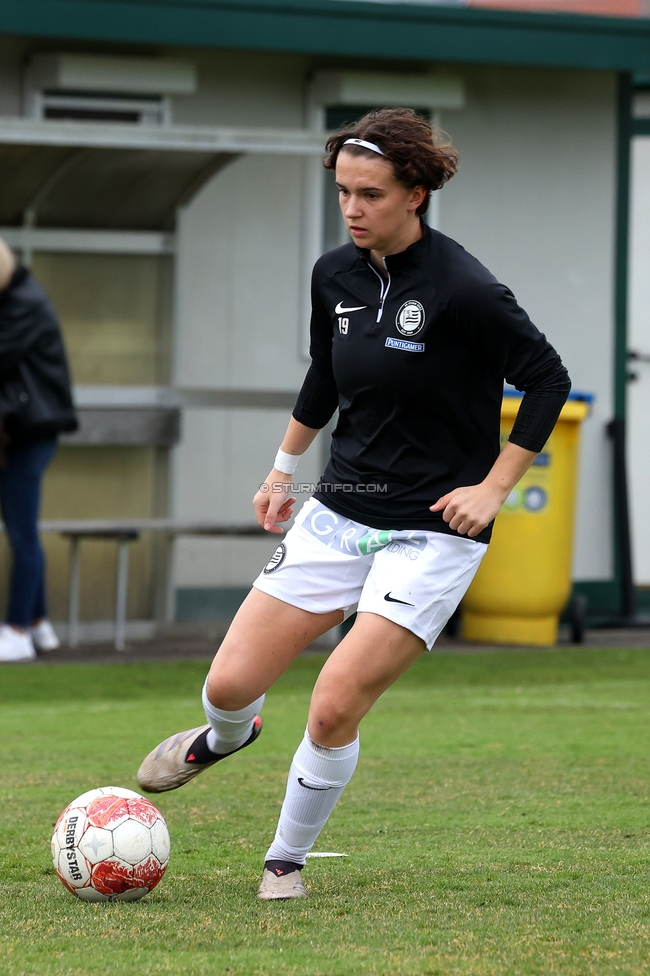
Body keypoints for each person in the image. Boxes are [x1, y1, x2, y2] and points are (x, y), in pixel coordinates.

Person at [138, 108, 571, 900]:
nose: (352, 209)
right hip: (337, 513)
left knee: (335, 703)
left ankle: (283, 862)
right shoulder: (334, 273)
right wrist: (281, 474)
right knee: (229, 687)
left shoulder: (466, 289)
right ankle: (225, 738)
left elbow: (547, 379)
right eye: (342, 192)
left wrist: (494, 487)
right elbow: (325, 377)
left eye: (370, 194)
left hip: (431, 534)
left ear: (416, 195)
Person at [0, 238, 77, 663]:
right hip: (26, 431)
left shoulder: (22, 302)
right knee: (22, 528)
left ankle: (15, 629)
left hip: (29, 432)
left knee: (21, 530)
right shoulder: (21, 295)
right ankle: (36, 623)